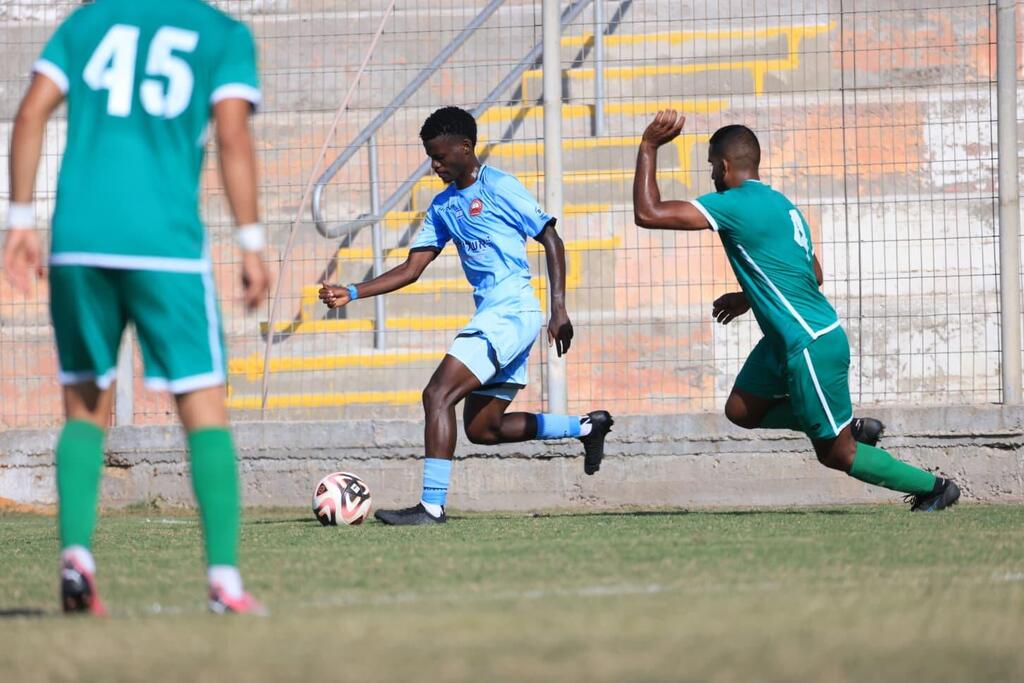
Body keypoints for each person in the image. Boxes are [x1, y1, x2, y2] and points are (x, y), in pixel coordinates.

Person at [3, 0, 271, 614]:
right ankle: (224, 582)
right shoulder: (220, 33)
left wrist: (19, 221)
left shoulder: (87, 23)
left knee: (83, 408)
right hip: (164, 245)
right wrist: (251, 240)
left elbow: (30, 112)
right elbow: (232, 132)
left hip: (77, 240)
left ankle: (77, 557)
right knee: (203, 405)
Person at [632, 111, 960, 512]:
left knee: (837, 454)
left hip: (809, 343)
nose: (712, 177)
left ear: (723, 165)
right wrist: (748, 296)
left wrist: (649, 146)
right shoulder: (781, 204)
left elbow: (649, 213)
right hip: (786, 339)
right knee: (740, 409)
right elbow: (813, 273)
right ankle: (845, 424)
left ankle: (934, 487)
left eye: (711, 168)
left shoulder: (734, 203)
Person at [319, 106, 613, 525]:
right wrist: (351, 291)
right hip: (499, 316)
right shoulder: (441, 207)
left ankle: (431, 506)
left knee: (436, 395)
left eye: (440, 156)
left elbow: (551, 238)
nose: (435, 165)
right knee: (483, 429)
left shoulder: (499, 187)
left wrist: (559, 307)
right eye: (430, 158)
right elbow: (411, 269)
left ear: (465, 147)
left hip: (511, 311)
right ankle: (587, 427)